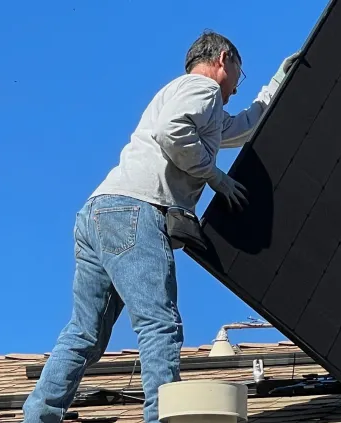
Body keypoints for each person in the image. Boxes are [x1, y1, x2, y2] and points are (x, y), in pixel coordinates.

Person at [21, 30, 300, 423]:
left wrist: (276, 85)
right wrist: (214, 177)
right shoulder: (201, 88)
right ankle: (160, 418)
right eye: (241, 74)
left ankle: (39, 415)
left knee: (85, 332)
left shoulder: (194, 99)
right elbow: (173, 131)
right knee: (160, 324)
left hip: (100, 212)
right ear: (224, 59)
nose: (238, 87)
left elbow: (241, 128)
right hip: (135, 210)